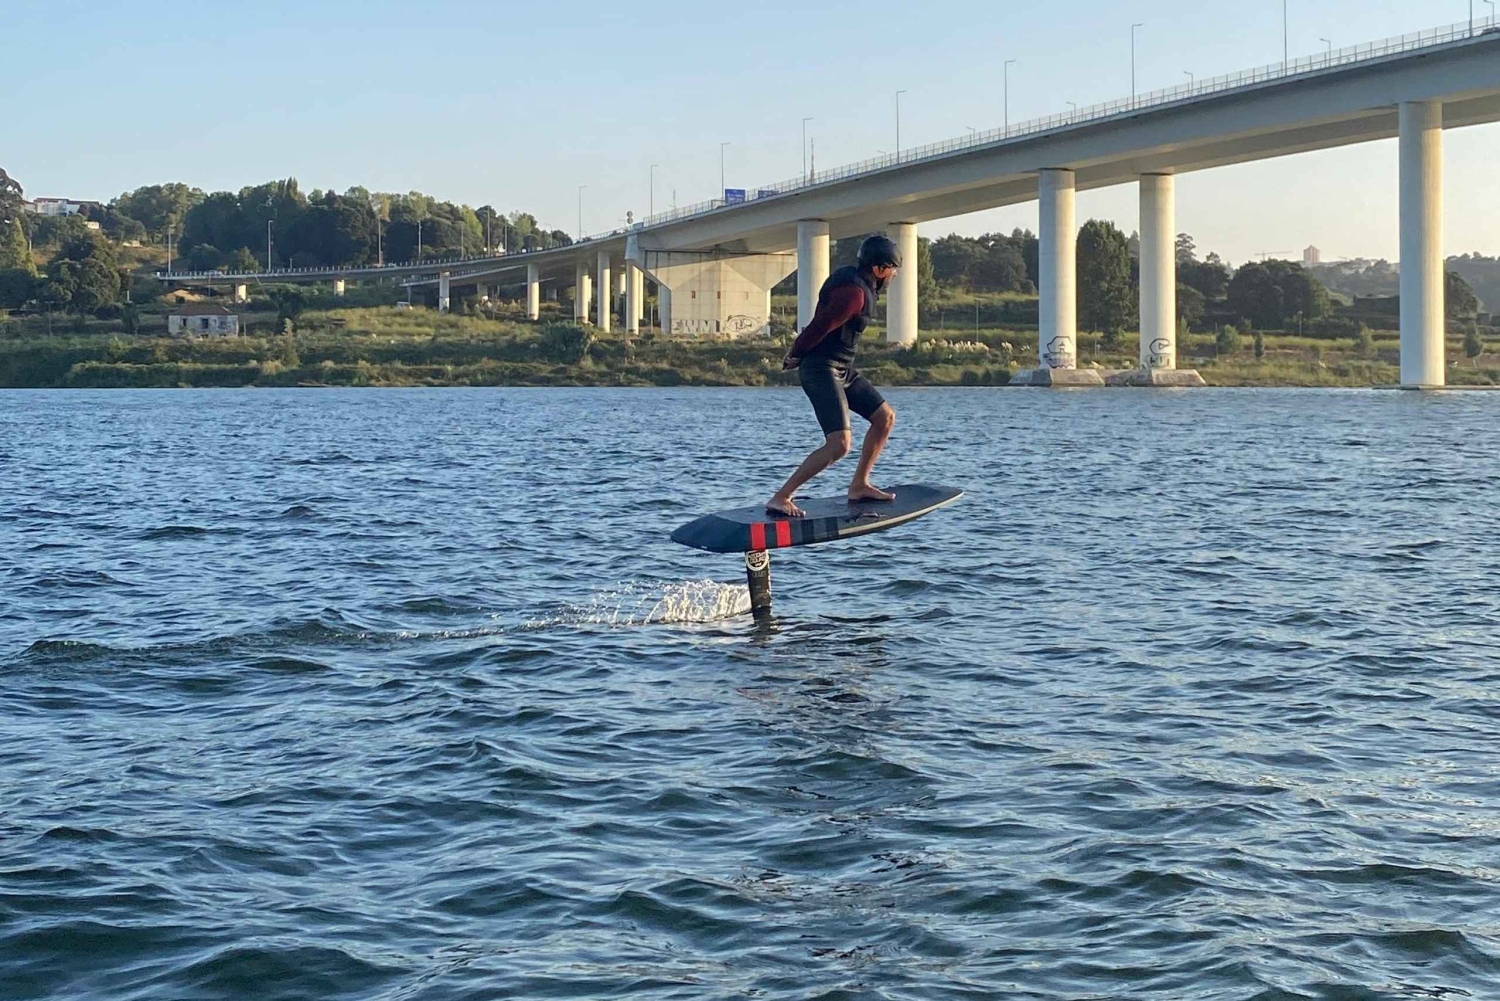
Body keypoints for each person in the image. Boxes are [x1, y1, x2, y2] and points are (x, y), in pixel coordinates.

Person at [765, 234, 901, 518]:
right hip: (820, 368)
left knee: (884, 418)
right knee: (839, 444)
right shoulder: (854, 294)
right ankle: (781, 497)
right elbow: (820, 325)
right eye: (892, 269)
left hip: (841, 369)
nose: (894, 275)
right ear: (879, 269)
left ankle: (859, 485)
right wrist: (796, 353)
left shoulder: (860, 285)